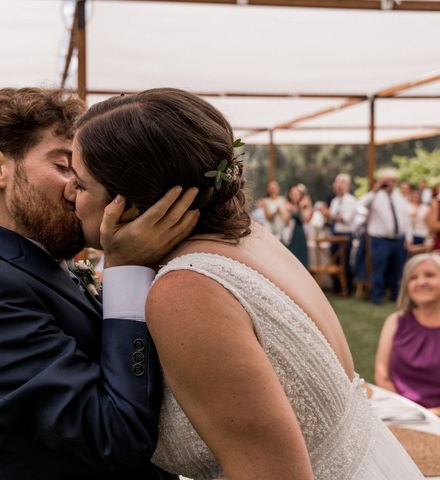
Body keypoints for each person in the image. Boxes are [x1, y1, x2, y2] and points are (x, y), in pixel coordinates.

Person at [71, 87, 424, 480]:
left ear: (132, 204)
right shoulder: (247, 235)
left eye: (81, 183)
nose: (70, 191)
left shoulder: (187, 289)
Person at [0, 88, 198, 480]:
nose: (79, 185)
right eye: (64, 165)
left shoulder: (35, 259)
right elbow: (115, 435)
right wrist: (124, 267)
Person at [375, 253, 440, 415]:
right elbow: (381, 373)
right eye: (413, 277)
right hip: (397, 409)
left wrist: (431, 415)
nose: (421, 282)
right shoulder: (395, 321)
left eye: (430, 275)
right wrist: (405, 411)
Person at [358, 169, 412, 304]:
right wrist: (376, 189)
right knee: (379, 268)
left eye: (392, 181)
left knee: (397, 268)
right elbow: (361, 204)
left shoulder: (399, 197)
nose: (389, 183)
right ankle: (376, 296)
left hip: (398, 240)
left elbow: (406, 219)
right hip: (380, 239)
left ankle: (395, 295)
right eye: (386, 180)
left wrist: (408, 237)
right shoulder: (375, 196)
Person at [326, 173, 358, 293]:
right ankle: (336, 287)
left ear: (347, 185)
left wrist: (330, 215)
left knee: (344, 263)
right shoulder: (334, 201)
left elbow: (345, 218)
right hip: (334, 234)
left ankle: (347, 288)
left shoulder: (351, 201)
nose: (338, 185)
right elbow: (331, 217)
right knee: (334, 261)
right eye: (337, 182)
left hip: (345, 236)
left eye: (341, 183)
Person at [282, 183, 312, 268]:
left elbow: (304, 219)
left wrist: (301, 208)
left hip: (300, 234)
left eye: (297, 194)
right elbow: (285, 220)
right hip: (290, 234)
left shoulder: (305, 205)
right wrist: (291, 209)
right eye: (292, 193)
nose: (294, 196)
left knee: (301, 258)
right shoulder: (286, 204)